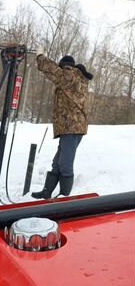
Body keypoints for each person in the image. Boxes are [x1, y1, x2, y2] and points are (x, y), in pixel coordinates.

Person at [32, 52, 93, 199]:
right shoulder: (71, 80)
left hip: (72, 128)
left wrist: (40, 57)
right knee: (57, 163)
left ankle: (64, 197)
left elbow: (54, 71)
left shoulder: (72, 76)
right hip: (68, 128)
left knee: (65, 163)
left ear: (66, 67)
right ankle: (47, 192)